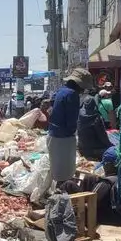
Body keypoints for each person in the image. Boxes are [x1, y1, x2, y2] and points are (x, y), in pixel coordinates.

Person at [37, 68, 86, 199]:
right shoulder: (72, 95)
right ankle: (63, 199)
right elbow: (71, 120)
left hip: (53, 134)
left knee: (57, 170)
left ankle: (57, 196)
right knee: (65, 173)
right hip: (64, 138)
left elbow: (51, 107)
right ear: (79, 85)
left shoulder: (60, 91)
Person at [78, 86, 114, 161]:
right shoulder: (96, 118)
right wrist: (110, 145)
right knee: (113, 152)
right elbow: (102, 136)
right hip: (95, 149)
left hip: (83, 148)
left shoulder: (80, 116)